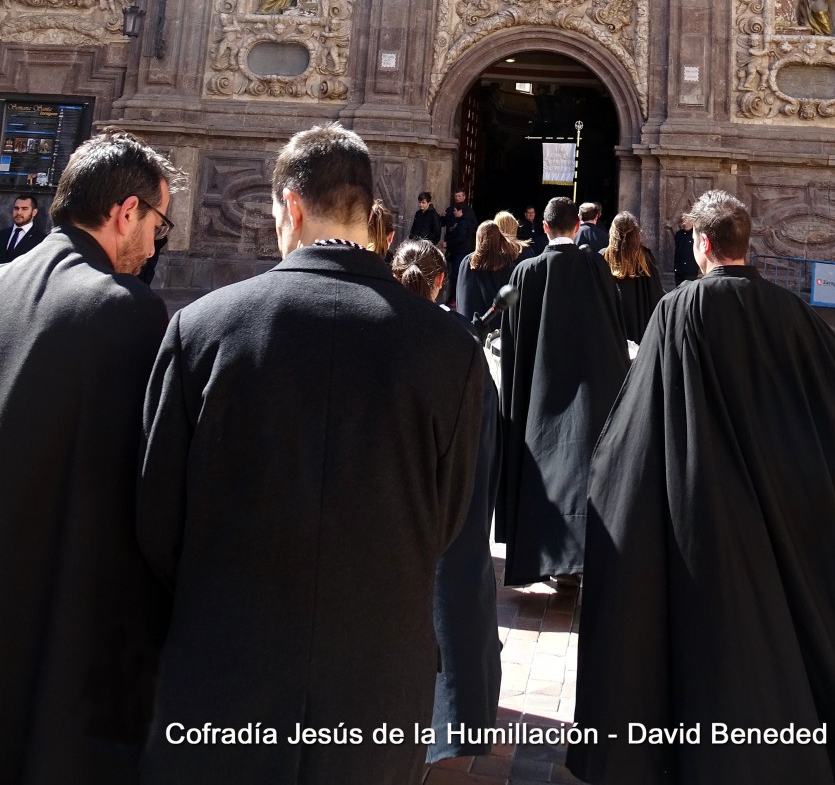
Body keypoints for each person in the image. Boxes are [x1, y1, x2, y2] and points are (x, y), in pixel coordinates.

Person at [568, 190, 835, 785]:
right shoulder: (790, 310)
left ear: (702, 244)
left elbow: (642, 420)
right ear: (745, 244)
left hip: (707, 505)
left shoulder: (677, 311)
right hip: (791, 497)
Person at [138, 123, 484, 785]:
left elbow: (157, 515)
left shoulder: (202, 328)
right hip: (376, 677)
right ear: (365, 208)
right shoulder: (449, 350)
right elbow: (449, 515)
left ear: (290, 207)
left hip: (225, 663)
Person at [0, 133, 175, 785]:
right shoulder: (124, 310)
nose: (157, 243)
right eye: (160, 223)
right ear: (127, 212)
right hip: (71, 622)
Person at [391, 239, 502, 766]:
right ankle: (456, 720)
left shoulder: (372, 337)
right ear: (440, 284)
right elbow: (488, 439)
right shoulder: (463, 346)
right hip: (454, 518)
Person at [497, 195, 629, 587]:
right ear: (576, 228)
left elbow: (513, 340)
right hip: (592, 389)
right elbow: (614, 326)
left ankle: (548, 556)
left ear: (543, 228)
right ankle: (584, 555)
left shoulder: (526, 273)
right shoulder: (596, 269)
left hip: (540, 391)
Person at [602, 211, 663, 343]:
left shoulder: (603, 258)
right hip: (639, 326)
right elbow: (655, 295)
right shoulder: (646, 258)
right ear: (636, 232)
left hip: (611, 326)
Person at [455, 219, 518, 320]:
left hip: (472, 325)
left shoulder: (467, 262)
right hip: (497, 329)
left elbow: (462, 297)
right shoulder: (506, 264)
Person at [442, 185, 478, 304]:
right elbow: (443, 222)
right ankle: (453, 297)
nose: (458, 198)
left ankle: (457, 299)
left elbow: (469, 232)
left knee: (459, 274)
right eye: (456, 196)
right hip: (452, 249)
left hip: (462, 248)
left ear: (464, 196)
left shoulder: (468, 213)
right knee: (452, 274)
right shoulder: (450, 210)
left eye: (460, 196)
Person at [0, 191, 47, 262]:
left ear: (34, 212)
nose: (19, 212)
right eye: (16, 208)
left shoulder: (42, 240)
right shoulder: (2, 234)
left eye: (24, 209)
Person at [672, 219, 697, 286]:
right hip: (679, 269)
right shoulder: (679, 234)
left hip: (691, 270)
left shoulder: (695, 235)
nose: (684, 223)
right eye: (683, 221)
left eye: (686, 220)